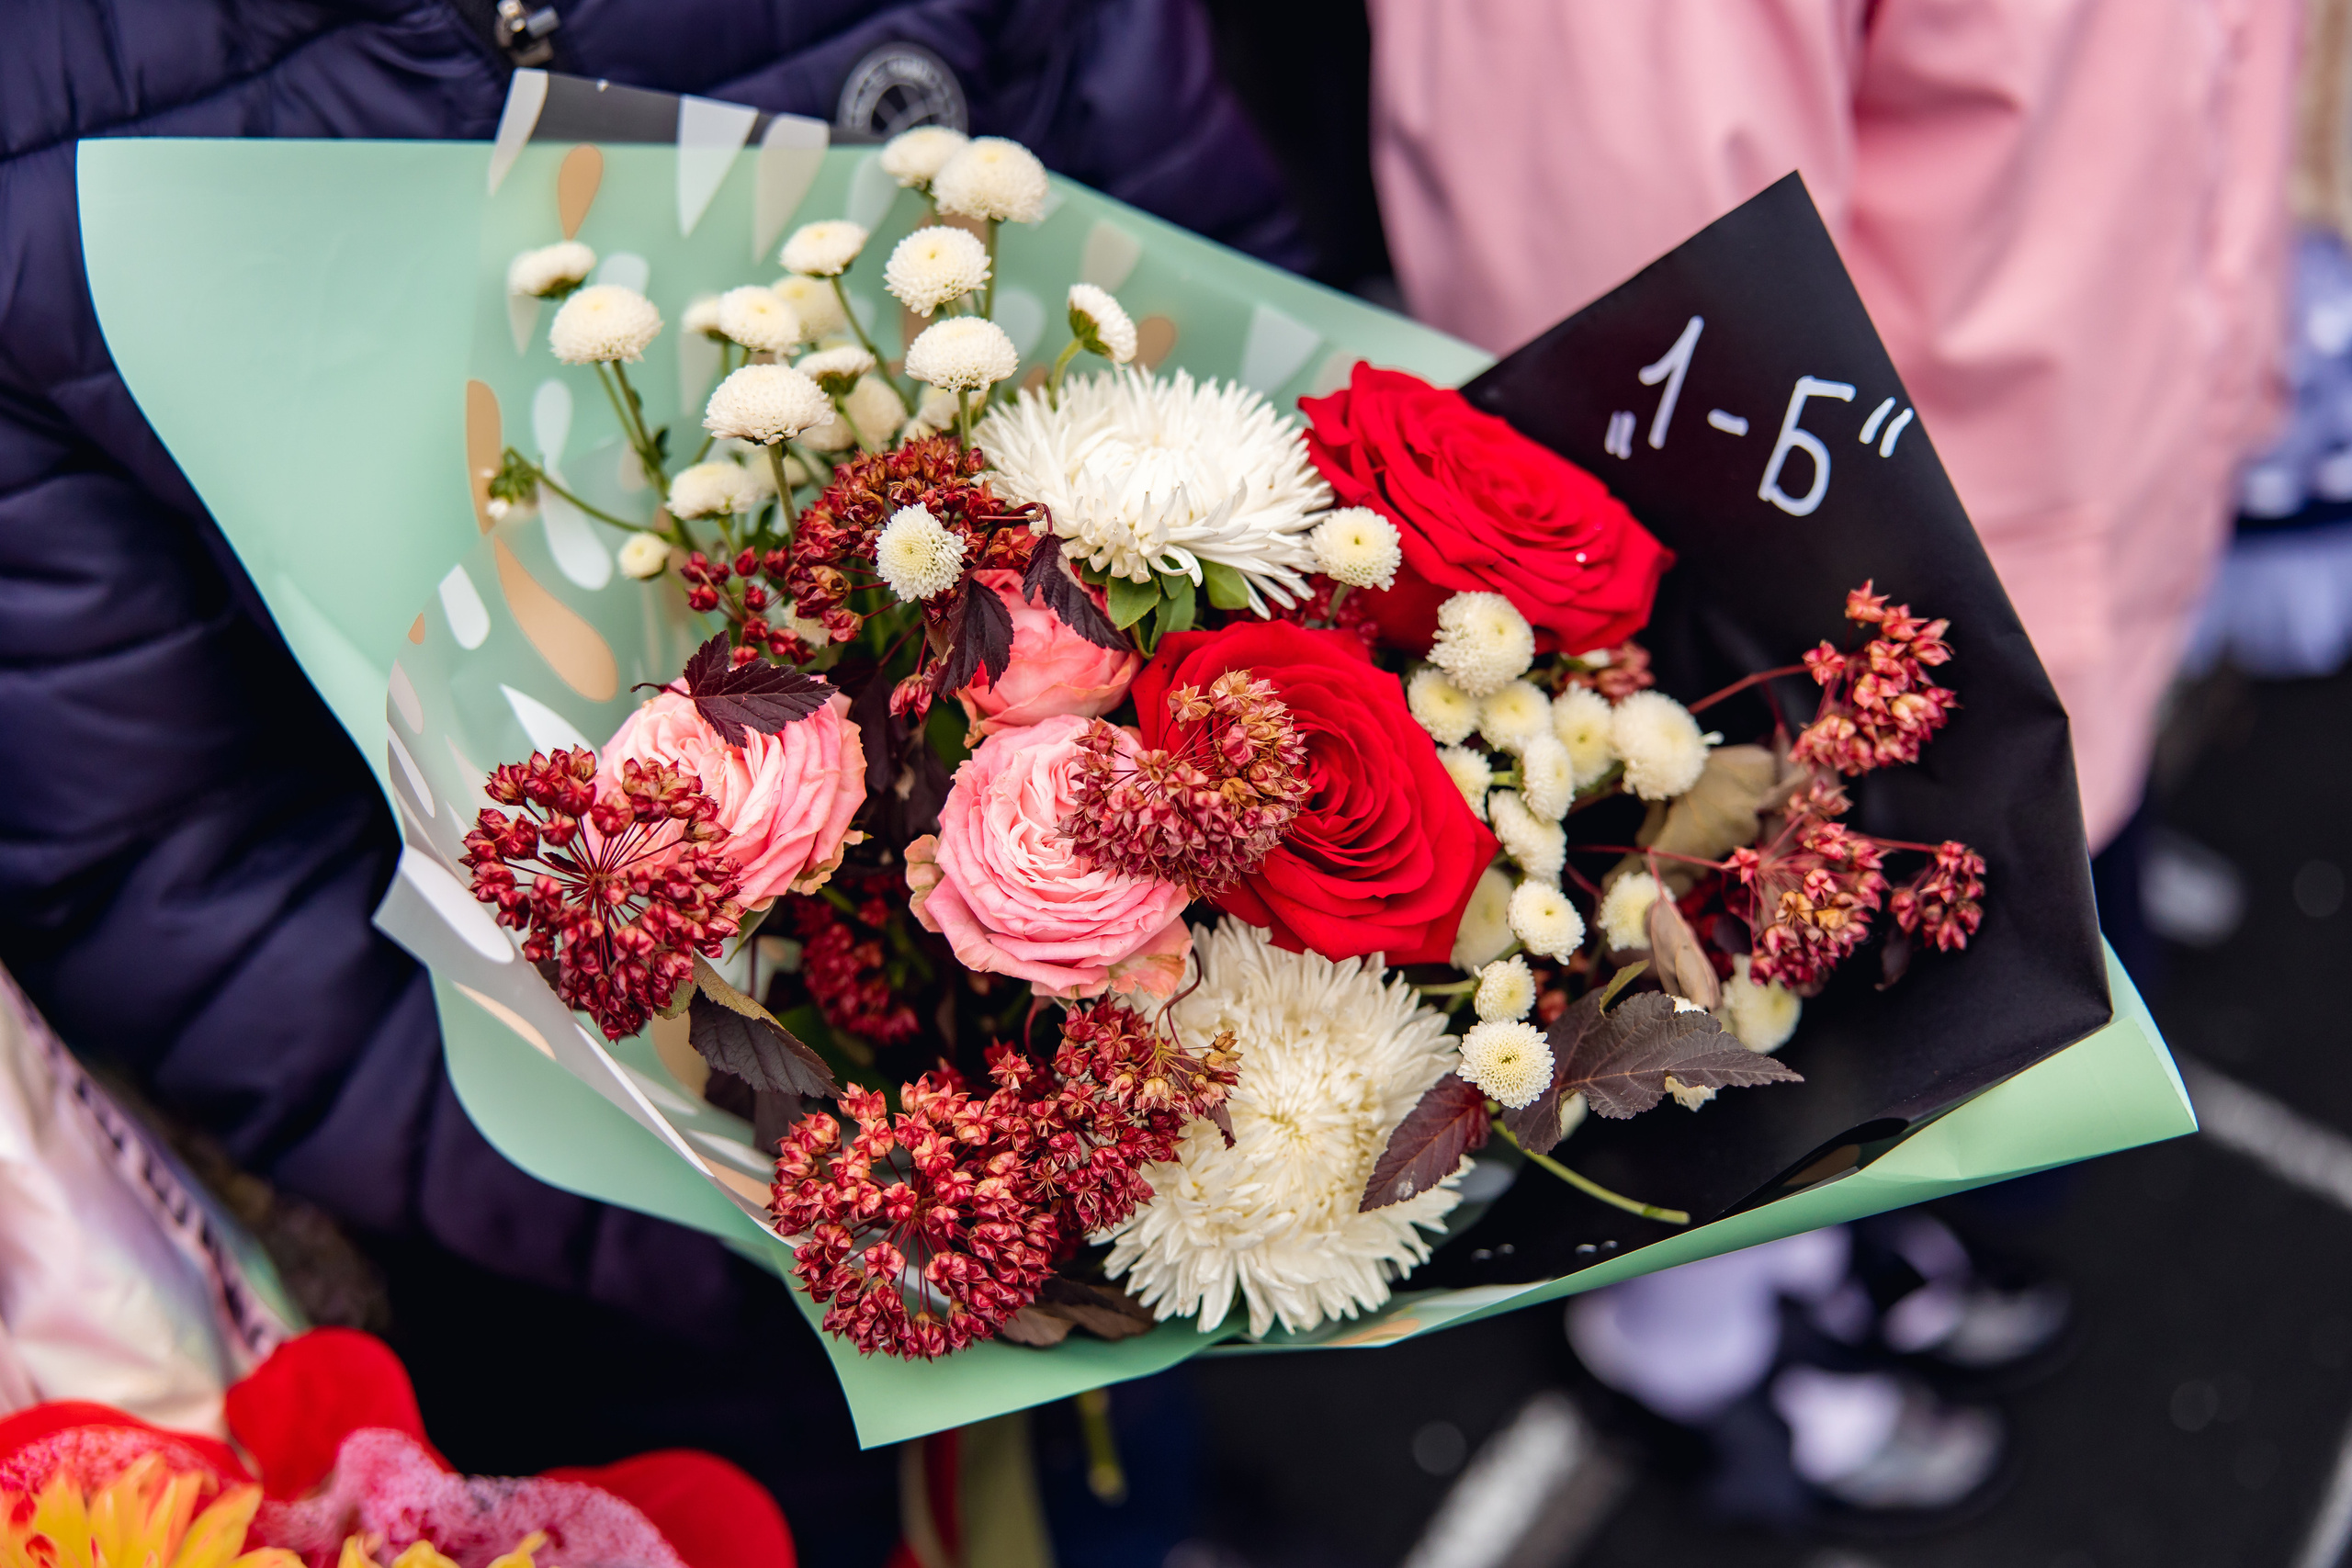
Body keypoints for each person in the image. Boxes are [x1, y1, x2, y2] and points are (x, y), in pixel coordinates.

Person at [1, 4, 1300, 1562]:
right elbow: (173, 878)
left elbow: (1226, 290)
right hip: (608, 1259)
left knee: (1119, 1481)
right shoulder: (44, 129)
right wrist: (752, 1220)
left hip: (1125, 1101)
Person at [1364, 0, 2298, 1525]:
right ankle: (1694, 1343)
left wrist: (2220, 381)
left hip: (2064, 490)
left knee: (1925, 1014)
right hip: (1867, 585)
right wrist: (1778, 638)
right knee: (1752, 1010)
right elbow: (1634, 260)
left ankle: (1834, 1246)